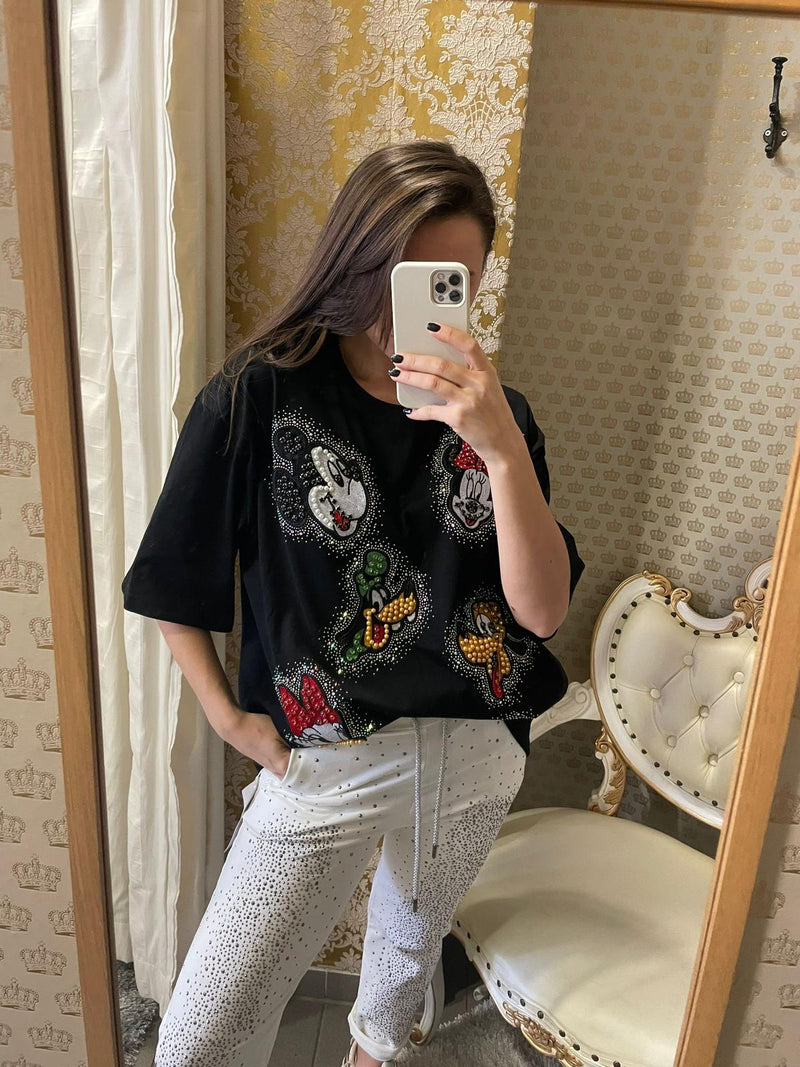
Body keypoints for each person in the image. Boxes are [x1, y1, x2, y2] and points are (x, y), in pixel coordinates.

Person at [121, 138, 585, 1067]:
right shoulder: (261, 394)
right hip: (329, 757)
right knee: (200, 1037)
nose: (415, 306)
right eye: (402, 276)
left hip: (476, 747)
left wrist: (501, 448)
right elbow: (173, 574)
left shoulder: (501, 415)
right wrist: (230, 719)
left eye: (451, 284)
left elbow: (540, 615)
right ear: (356, 260)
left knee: (394, 988)